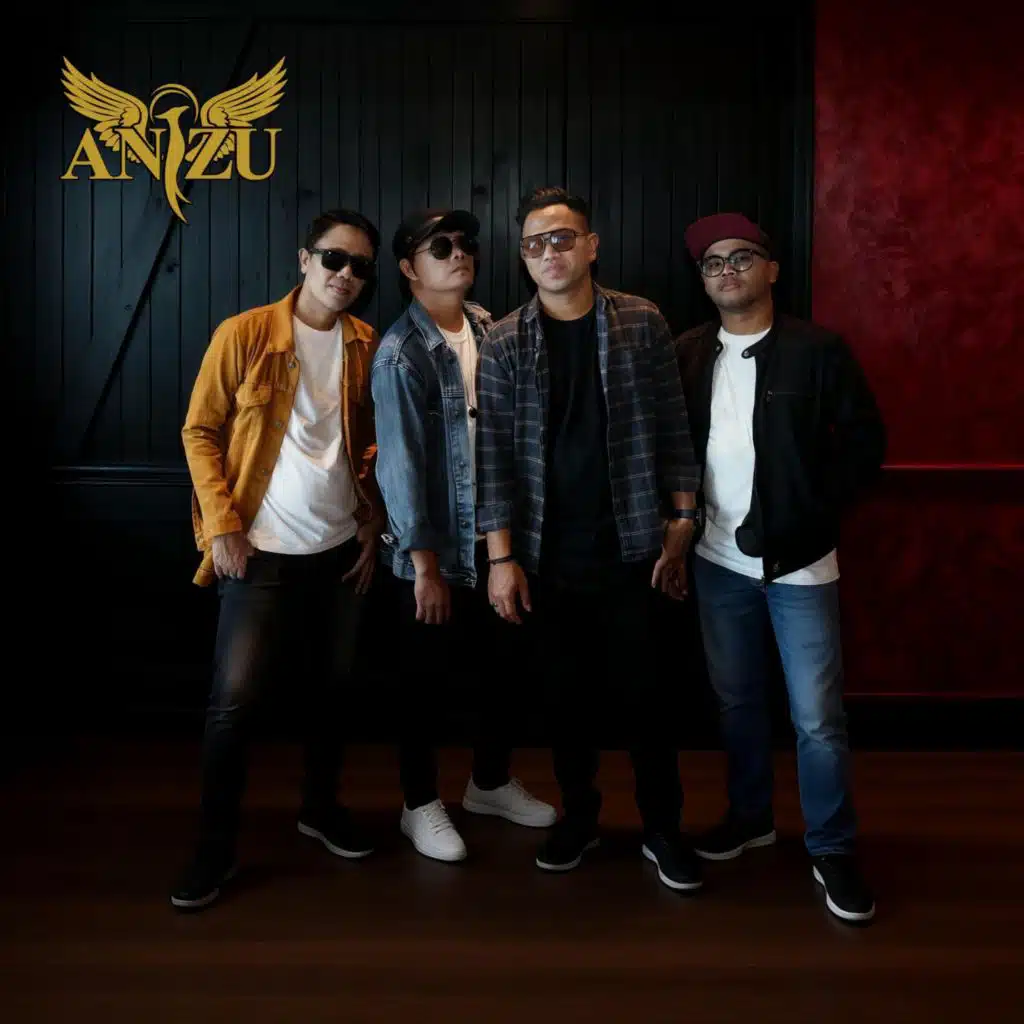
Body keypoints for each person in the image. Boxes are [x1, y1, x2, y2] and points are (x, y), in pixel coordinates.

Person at [475, 186, 703, 892]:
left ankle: (662, 829)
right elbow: (493, 458)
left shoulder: (640, 321)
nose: (550, 252)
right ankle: (581, 817)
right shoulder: (505, 339)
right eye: (535, 243)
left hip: (634, 546)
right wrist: (501, 559)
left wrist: (683, 521)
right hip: (546, 555)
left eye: (563, 238)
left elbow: (673, 424)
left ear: (591, 245)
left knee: (649, 701)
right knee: (565, 702)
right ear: (523, 258)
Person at [676, 212, 887, 924]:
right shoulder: (689, 352)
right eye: (713, 263)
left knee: (818, 718)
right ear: (703, 280)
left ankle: (832, 847)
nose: (727, 270)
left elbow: (864, 446)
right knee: (737, 701)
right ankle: (751, 817)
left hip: (799, 562)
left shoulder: (817, 350)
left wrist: (810, 515)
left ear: (770, 268)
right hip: (716, 560)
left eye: (741, 257)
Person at [172, 208, 385, 910]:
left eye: (359, 266)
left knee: (335, 691)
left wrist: (373, 523)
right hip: (258, 553)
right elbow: (200, 430)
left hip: (339, 553)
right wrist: (221, 526)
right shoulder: (245, 333)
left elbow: (374, 446)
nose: (345, 274)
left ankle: (319, 809)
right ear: (304, 259)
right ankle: (214, 847)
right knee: (233, 704)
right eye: (334, 259)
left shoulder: (367, 344)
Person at [371, 208, 556, 863]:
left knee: (505, 670)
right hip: (435, 550)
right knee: (423, 684)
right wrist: (424, 566)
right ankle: (418, 803)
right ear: (408, 268)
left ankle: (489, 783)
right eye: (441, 247)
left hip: (496, 539)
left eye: (466, 244)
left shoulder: (486, 326)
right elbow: (400, 466)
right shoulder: (401, 353)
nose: (459, 254)